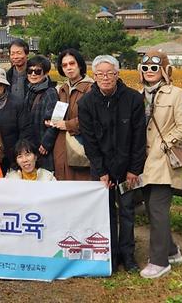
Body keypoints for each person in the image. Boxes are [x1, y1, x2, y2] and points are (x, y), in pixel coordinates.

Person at [79, 54, 145, 274]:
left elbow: (139, 138)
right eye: (100, 74)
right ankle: (110, 254)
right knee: (105, 212)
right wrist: (101, 171)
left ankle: (128, 255)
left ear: (117, 75)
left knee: (127, 210)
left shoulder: (134, 99)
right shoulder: (86, 102)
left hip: (128, 168)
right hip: (102, 168)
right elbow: (89, 141)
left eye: (110, 73)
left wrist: (134, 169)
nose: (105, 78)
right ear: (94, 76)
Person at [138, 50, 182, 279]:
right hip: (143, 160)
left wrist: (164, 144)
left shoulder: (177, 94)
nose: (149, 72)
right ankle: (171, 251)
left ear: (164, 70)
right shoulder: (138, 95)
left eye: (154, 68)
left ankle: (159, 262)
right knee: (152, 208)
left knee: (158, 209)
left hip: (162, 160)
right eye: (145, 68)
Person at [48, 48, 94, 181]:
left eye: (72, 63)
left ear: (79, 64)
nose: (68, 68)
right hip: (61, 146)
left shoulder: (90, 88)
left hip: (80, 146)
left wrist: (68, 125)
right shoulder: (62, 89)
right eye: (64, 65)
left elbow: (94, 118)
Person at [24, 55, 57, 171]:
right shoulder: (30, 90)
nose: (33, 74)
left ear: (46, 73)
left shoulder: (50, 92)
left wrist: (46, 143)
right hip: (33, 143)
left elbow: (54, 120)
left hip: (43, 146)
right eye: (30, 71)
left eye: (37, 71)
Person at [6, 38, 30, 103]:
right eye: (12, 54)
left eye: (19, 53)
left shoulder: (35, 75)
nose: (15, 57)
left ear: (27, 54)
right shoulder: (7, 76)